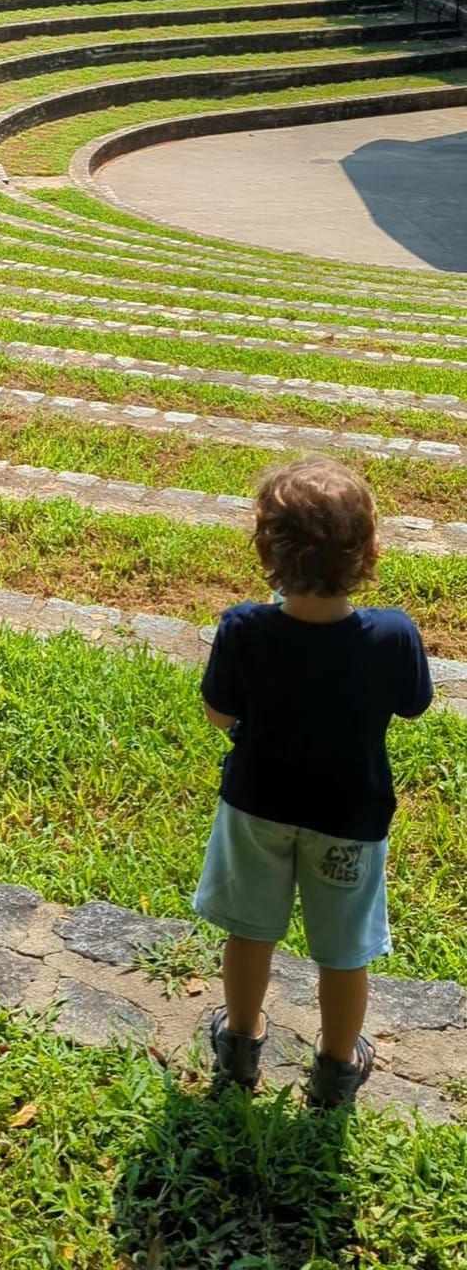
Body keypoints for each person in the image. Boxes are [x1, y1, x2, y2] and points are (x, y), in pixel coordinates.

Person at [193, 458, 433, 1107]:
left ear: (266, 548)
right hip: (349, 817)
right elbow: (415, 705)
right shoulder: (393, 635)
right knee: (342, 949)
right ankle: (335, 1067)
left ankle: (241, 1042)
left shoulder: (245, 628)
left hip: (256, 807)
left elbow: (219, 714)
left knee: (251, 931)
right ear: (368, 552)